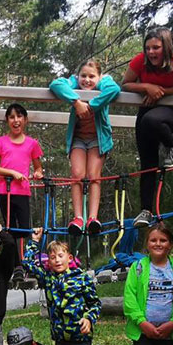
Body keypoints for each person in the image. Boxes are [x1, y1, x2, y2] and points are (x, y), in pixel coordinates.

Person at [121, 27, 173, 228]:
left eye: (156, 48)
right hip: (146, 109)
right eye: (148, 48)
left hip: (170, 110)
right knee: (147, 163)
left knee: (151, 121)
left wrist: (161, 92)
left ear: (166, 47)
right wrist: (146, 87)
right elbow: (125, 84)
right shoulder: (139, 61)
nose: (151, 52)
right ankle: (146, 210)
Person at [49, 59, 122, 235]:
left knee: (93, 175)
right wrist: (76, 102)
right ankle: (78, 217)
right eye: (83, 76)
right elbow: (56, 84)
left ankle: (92, 217)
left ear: (99, 77)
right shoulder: (74, 83)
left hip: (98, 139)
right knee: (77, 175)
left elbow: (115, 89)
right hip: (78, 139)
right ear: (77, 76)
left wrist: (92, 106)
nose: (87, 80)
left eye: (91, 76)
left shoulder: (104, 82)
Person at [0, 104, 43, 239]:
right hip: (4, 191)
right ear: (7, 121)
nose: (16, 120)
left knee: (24, 229)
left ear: (25, 120)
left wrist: (38, 173)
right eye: (12, 117)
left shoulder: (32, 143)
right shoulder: (1, 142)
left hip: (23, 191)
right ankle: (12, 260)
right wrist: (12, 172)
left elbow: (38, 167)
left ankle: (25, 259)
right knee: (9, 229)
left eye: (19, 116)